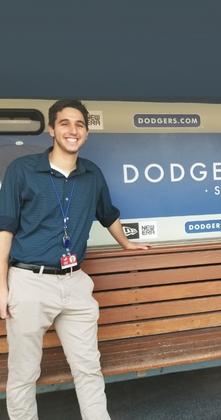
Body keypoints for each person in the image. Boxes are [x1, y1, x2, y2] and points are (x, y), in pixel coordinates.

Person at [0, 99, 150, 419]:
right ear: (52, 129)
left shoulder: (91, 173)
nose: (73, 130)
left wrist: (126, 244)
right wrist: (1, 286)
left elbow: (108, 215)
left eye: (80, 124)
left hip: (75, 282)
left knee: (89, 368)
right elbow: (5, 229)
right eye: (65, 123)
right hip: (29, 282)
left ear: (86, 133)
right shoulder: (22, 171)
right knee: (24, 374)